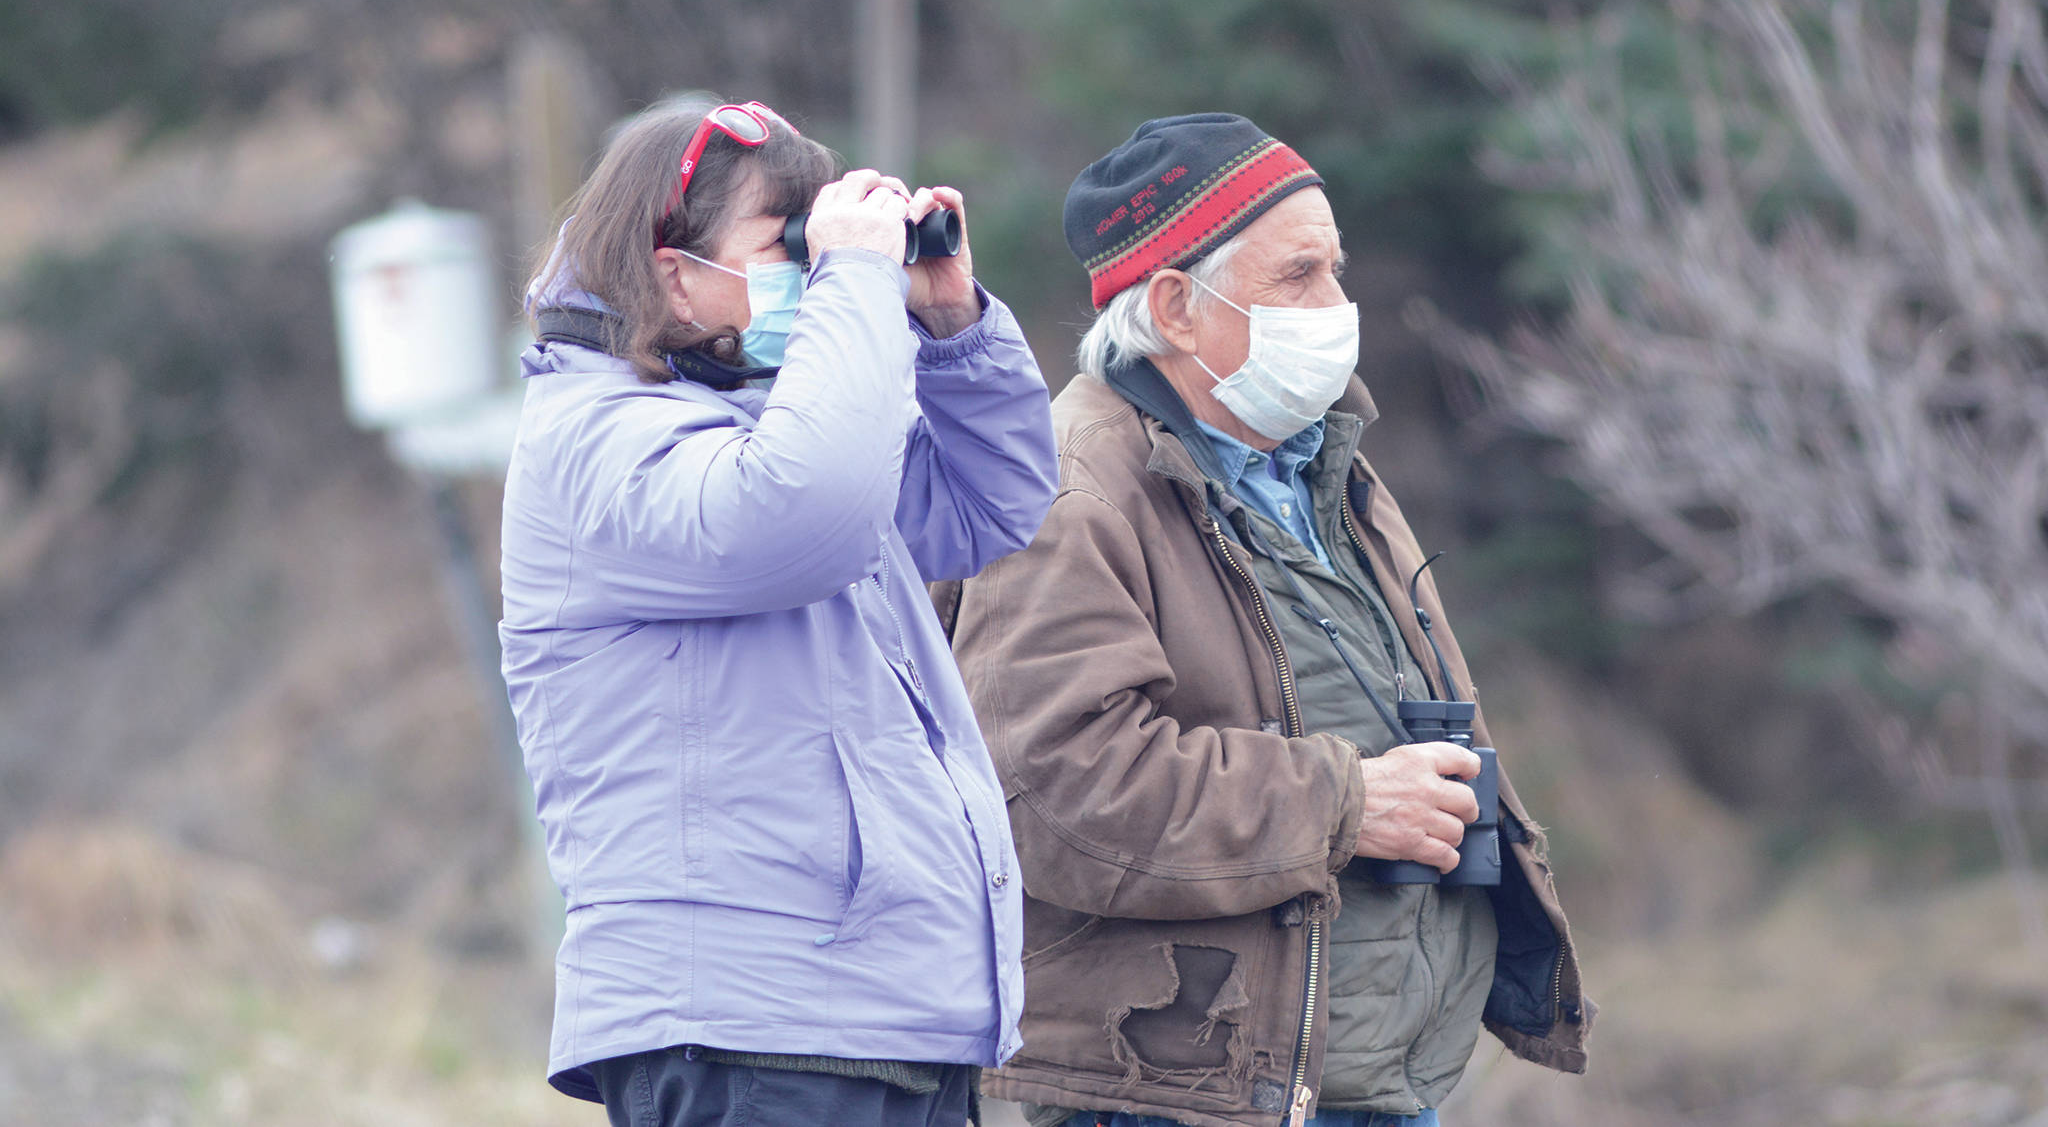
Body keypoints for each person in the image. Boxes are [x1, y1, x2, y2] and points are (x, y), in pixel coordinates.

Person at [935, 114, 1594, 1127]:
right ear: (1173, 308)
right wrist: (1344, 803)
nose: (1336, 307)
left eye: (1335, 271)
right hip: (1174, 1094)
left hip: (1348, 1083)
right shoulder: (1067, 488)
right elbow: (1056, 791)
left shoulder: (1325, 465)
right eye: (1297, 278)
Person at [499, 97, 1059, 1127]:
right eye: (786, 245)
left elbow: (991, 507)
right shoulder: (593, 436)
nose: (816, 268)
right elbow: (802, 515)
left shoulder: (784, 424)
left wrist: (948, 324)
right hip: (746, 1029)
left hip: (885, 1017)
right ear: (672, 271)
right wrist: (850, 279)